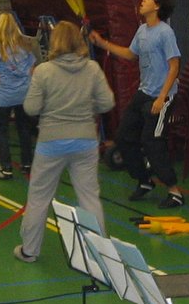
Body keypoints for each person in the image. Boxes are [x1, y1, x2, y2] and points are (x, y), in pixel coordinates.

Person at [14, 21, 115, 263]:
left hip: (51, 142)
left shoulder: (43, 71)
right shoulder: (92, 69)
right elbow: (107, 102)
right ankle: (99, 253)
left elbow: (31, 107)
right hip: (85, 141)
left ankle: (30, 250)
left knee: (39, 197)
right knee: (89, 197)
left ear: (55, 42)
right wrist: (86, 105)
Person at [89, 0, 184, 208]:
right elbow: (130, 54)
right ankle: (144, 180)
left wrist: (162, 98)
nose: (143, 0)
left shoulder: (165, 33)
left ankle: (175, 192)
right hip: (144, 93)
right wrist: (102, 43)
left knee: (152, 142)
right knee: (123, 137)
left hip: (161, 97)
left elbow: (174, 65)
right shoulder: (142, 30)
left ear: (157, 6)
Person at [0, 12, 38, 180]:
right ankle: (27, 163)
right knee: (24, 129)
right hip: (24, 94)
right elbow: (32, 69)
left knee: (1, 132)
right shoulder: (25, 47)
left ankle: (6, 168)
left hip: (4, 96)